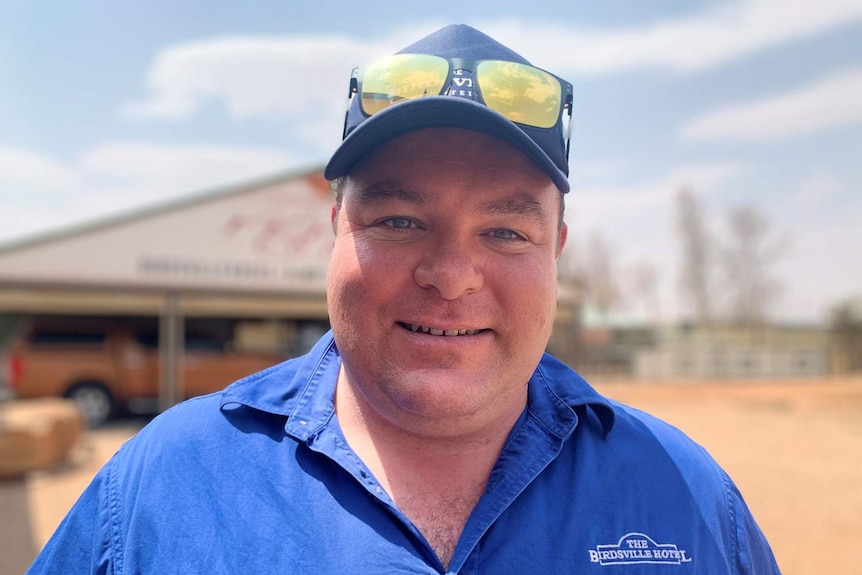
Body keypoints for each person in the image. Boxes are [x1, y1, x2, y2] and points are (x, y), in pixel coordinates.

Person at [28, 24, 780, 574]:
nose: (451, 274)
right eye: (398, 220)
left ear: (556, 252)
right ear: (335, 230)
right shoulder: (163, 486)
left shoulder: (687, 496)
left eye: (506, 231)